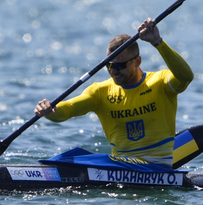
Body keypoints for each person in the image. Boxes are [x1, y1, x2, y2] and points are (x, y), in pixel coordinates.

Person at [35, 18, 194, 167]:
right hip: (121, 168)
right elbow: (67, 109)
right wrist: (51, 110)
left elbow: (186, 77)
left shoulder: (160, 83)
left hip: (157, 168)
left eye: (120, 66)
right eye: (109, 66)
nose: (113, 71)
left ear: (137, 62)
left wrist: (158, 42)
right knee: (70, 157)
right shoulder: (100, 92)